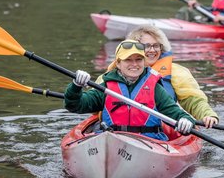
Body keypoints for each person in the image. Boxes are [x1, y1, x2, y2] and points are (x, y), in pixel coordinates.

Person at [64, 40, 196, 141]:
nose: (134, 64)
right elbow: (75, 106)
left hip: (149, 142)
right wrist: (76, 86)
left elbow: (176, 113)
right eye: (128, 60)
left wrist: (185, 121)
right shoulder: (106, 87)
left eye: (139, 59)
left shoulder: (155, 88)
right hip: (112, 138)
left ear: (144, 62)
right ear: (118, 63)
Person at [126, 25, 219, 128]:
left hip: (166, 130)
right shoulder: (119, 72)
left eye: (156, 46)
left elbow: (192, 99)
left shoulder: (176, 72)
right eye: (147, 46)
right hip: (126, 128)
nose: (152, 50)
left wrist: (207, 114)